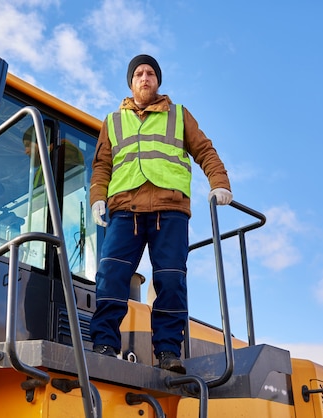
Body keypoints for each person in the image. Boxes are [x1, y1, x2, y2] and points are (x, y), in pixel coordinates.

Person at [89, 54, 233, 374]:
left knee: (170, 280)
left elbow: (205, 150)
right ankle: (104, 343)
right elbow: (101, 166)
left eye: (150, 73)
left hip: (170, 212)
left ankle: (168, 351)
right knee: (111, 275)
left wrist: (219, 183)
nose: (145, 77)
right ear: (131, 82)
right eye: (138, 73)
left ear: (158, 81)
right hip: (125, 211)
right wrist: (98, 198)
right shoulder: (113, 122)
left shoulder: (179, 116)